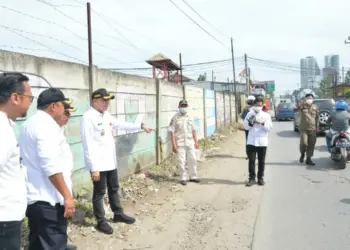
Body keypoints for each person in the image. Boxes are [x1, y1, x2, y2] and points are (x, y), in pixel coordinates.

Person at [80, 88, 152, 235]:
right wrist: (93, 168)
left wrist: (140, 126)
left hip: (110, 162)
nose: (107, 103)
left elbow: (120, 124)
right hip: (98, 164)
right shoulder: (88, 117)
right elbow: (87, 144)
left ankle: (118, 213)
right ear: (95, 101)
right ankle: (101, 221)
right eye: (104, 100)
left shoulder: (105, 116)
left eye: (108, 100)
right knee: (99, 192)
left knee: (113, 188)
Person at [20, 88, 76, 250]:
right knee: (53, 242)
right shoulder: (46, 125)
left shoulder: (30, 123)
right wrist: (67, 196)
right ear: (53, 106)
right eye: (62, 105)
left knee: (38, 242)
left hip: (37, 198)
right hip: (48, 200)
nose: (64, 109)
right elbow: (50, 165)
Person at [0, 73, 33, 250]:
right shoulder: (2, 130)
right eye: (29, 97)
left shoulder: (6, 125)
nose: (30, 102)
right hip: (4, 217)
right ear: (15, 98)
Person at [168, 100, 200, 186]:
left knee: (193, 159)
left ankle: (193, 176)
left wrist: (196, 142)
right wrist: (174, 145)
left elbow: (193, 130)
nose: (184, 107)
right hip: (180, 143)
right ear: (179, 107)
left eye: (185, 106)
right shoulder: (175, 118)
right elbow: (172, 132)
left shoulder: (190, 117)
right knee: (181, 161)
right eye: (182, 106)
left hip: (190, 142)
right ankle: (182, 178)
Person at [244, 97, 273, 186]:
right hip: (251, 141)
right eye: (257, 105)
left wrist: (263, 123)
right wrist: (251, 123)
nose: (258, 107)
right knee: (251, 161)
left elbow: (269, 128)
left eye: (260, 105)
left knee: (261, 161)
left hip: (262, 141)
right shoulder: (249, 114)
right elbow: (246, 127)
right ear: (254, 105)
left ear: (262, 105)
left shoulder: (266, 115)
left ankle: (260, 178)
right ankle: (252, 178)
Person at [297, 93, 319, 165]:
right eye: (308, 98)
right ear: (305, 99)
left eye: (311, 98)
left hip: (312, 129)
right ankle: (302, 153)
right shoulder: (302, 106)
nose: (310, 99)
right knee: (303, 143)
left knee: (311, 145)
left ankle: (308, 159)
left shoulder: (315, 107)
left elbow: (317, 118)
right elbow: (295, 109)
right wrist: (302, 102)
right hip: (304, 129)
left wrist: (317, 127)